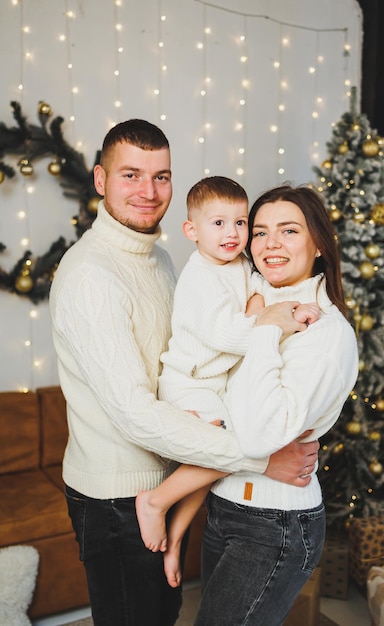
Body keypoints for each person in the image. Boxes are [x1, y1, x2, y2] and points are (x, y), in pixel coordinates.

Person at [48, 119, 320, 626]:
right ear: (101, 180)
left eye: (162, 176)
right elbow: (135, 414)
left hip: (169, 468)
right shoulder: (91, 276)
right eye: (131, 175)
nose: (149, 192)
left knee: (162, 610)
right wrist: (260, 459)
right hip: (117, 497)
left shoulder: (165, 260)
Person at [136, 175, 319, 588]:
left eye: (240, 223)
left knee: (217, 466)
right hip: (189, 383)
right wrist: (273, 321)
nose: (232, 233)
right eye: (218, 223)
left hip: (214, 384)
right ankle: (155, 500)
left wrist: (264, 309)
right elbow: (231, 336)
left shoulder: (239, 264)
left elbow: (261, 296)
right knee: (226, 448)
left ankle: (176, 535)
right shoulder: (199, 277)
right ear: (192, 231)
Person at [191, 184, 359, 626]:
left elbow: (261, 433)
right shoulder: (249, 299)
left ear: (318, 243)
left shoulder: (325, 332)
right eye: (260, 232)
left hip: (274, 524)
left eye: (288, 230)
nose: (270, 244)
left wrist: (267, 329)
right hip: (222, 503)